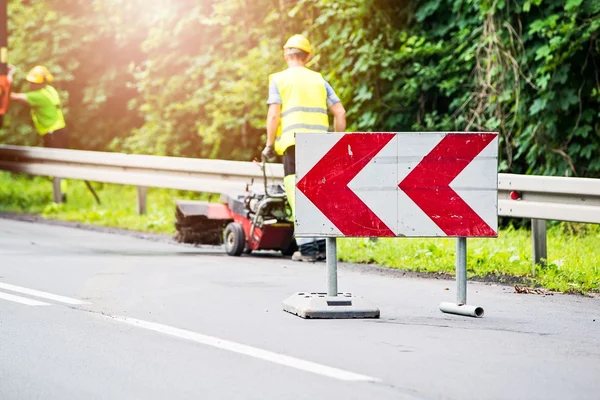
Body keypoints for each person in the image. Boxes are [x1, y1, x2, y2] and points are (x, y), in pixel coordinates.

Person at [262, 34, 346, 262]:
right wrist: (336, 143)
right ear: (308, 56)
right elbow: (340, 112)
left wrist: (270, 145)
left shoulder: (279, 80)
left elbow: (273, 114)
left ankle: (308, 250)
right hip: (320, 145)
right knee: (319, 193)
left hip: (293, 144)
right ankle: (323, 247)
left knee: (297, 193)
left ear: (286, 54)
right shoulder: (319, 80)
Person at [9, 65, 69, 201]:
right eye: (31, 82)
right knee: (58, 164)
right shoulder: (50, 90)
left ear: (41, 83)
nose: (31, 85)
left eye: (34, 83)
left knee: (55, 165)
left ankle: (60, 196)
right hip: (60, 130)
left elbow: (12, 96)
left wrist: (8, 77)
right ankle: (60, 194)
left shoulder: (38, 96)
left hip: (53, 133)